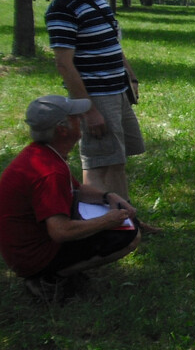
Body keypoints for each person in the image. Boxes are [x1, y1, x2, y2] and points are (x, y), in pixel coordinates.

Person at [46, 0, 156, 228]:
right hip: (96, 95)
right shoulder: (63, 8)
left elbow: (112, 43)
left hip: (116, 90)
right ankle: (112, 225)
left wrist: (129, 76)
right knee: (100, 161)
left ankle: (124, 219)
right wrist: (89, 109)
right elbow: (64, 64)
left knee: (116, 158)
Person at [0, 95, 141, 302]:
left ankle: (57, 269)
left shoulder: (42, 154)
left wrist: (107, 196)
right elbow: (60, 231)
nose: (82, 118)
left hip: (25, 249)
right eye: (75, 116)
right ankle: (48, 278)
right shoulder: (50, 172)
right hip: (32, 258)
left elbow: (75, 189)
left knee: (127, 225)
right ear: (62, 129)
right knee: (128, 235)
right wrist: (108, 220)